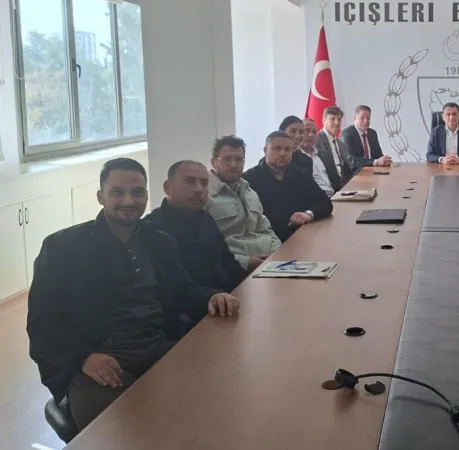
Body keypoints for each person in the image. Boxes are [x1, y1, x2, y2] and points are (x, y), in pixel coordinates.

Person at [27, 158, 240, 431]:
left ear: (147, 196)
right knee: (126, 433)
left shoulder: (159, 242)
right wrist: (83, 357)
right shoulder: (62, 248)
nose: (128, 200)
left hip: (158, 349)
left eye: (137, 192)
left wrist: (212, 296)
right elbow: (42, 324)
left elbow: (183, 290)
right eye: (117, 192)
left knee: (216, 407)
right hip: (99, 361)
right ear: (100, 196)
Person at [143, 160, 247, 293]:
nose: (199, 189)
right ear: (167, 187)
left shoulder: (205, 218)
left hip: (229, 298)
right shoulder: (152, 228)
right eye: (190, 181)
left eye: (204, 183)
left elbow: (230, 264)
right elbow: (173, 289)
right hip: (195, 302)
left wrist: (250, 288)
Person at [206, 135, 282, 271]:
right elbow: (205, 245)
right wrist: (245, 262)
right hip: (231, 269)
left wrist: (278, 253)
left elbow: (266, 230)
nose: (234, 165)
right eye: (227, 159)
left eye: (238, 159)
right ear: (213, 162)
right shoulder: (204, 195)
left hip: (267, 265)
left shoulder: (250, 193)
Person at [244, 131, 333, 242]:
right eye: (277, 148)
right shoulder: (249, 179)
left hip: (301, 236)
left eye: (287, 149)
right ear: (265, 150)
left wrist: (308, 214)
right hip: (267, 241)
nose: (282, 153)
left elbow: (325, 203)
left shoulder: (301, 175)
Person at [314, 105, 355, 189]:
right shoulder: (316, 140)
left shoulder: (342, 145)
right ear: (324, 121)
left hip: (345, 186)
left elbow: (347, 169)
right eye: (332, 119)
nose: (337, 123)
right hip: (328, 187)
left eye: (339, 119)